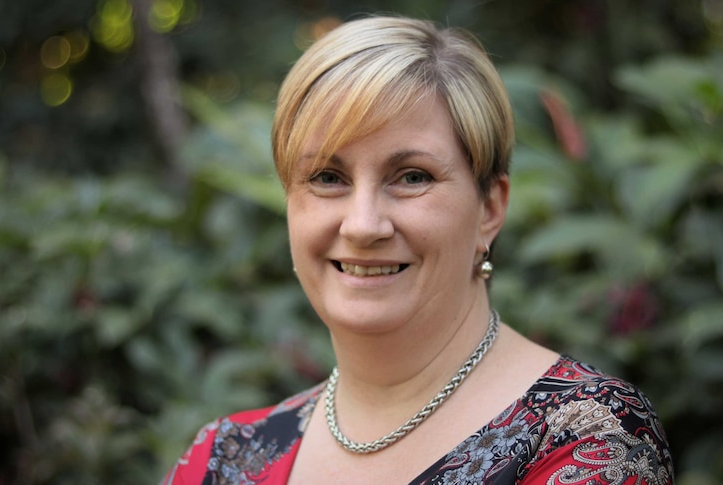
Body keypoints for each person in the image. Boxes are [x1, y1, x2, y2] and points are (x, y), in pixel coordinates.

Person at [162, 15, 674, 485]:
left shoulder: (589, 439)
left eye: (412, 177)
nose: (363, 225)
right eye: (327, 177)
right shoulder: (223, 459)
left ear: (490, 208)